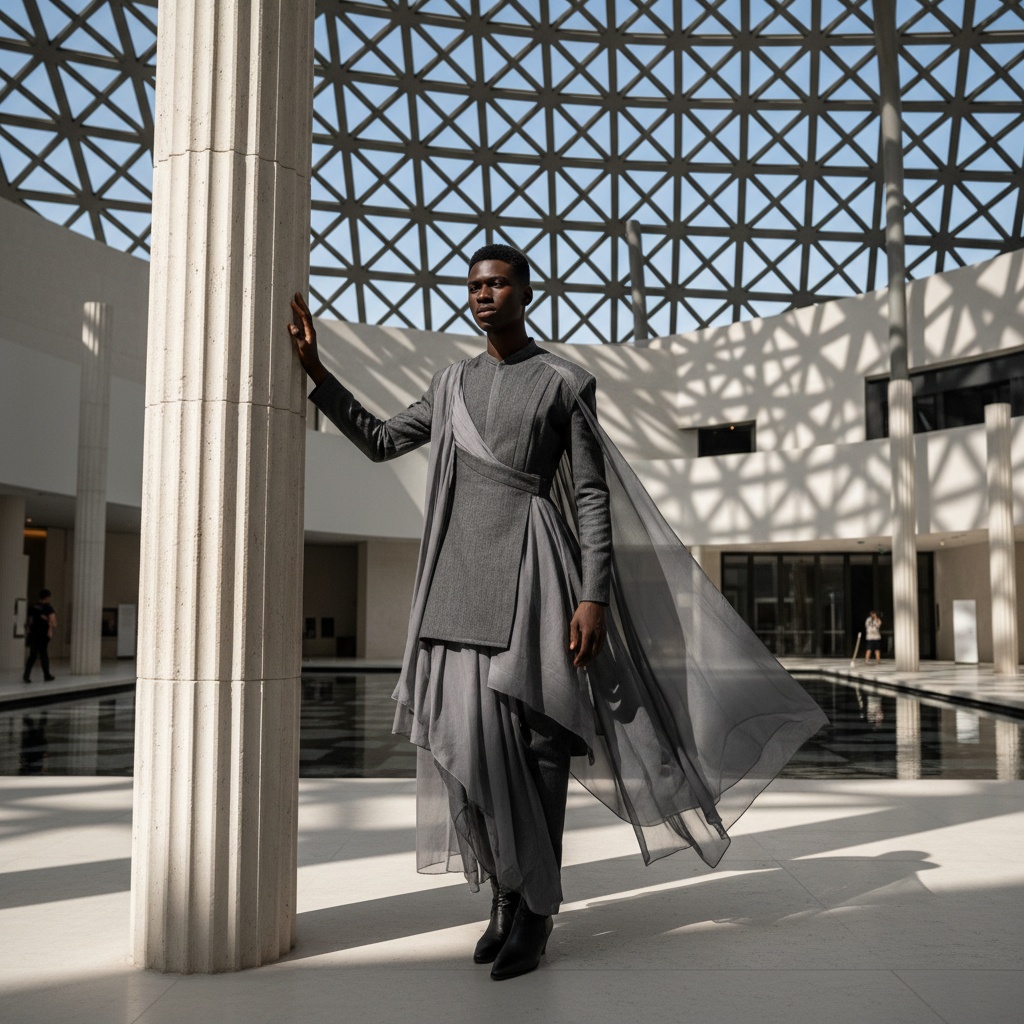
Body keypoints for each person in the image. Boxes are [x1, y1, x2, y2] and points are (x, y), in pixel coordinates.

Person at [287, 243, 827, 980]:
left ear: (526, 291)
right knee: (471, 747)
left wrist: (593, 592)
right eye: (474, 284)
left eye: (497, 283)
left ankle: (538, 912)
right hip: (455, 579)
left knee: (540, 741)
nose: (483, 294)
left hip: (537, 570)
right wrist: (317, 375)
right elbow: (382, 441)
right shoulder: (449, 385)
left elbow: (594, 494)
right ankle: (507, 896)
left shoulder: (564, 383)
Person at [23, 589, 57, 684]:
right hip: (43, 634)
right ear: (47, 597)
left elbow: (29, 621)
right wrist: (47, 620)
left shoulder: (33, 607)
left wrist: (28, 631)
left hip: (33, 634)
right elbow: (54, 622)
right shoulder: (48, 608)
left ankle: (26, 675)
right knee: (43, 654)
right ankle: (46, 675)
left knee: (32, 655)